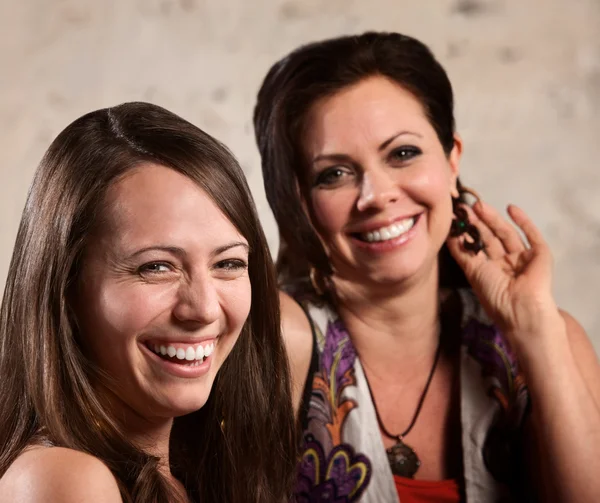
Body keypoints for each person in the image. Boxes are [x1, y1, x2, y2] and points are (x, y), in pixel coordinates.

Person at [253, 32, 600, 502]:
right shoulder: (277, 341)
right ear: (299, 203)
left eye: (402, 153)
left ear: (452, 160)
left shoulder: (553, 338)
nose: (376, 196)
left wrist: (534, 331)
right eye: (333, 173)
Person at [0, 102, 296, 503]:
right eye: (156, 267)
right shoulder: (64, 479)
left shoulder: (190, 468)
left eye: (227, 263)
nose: (204, 309)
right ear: (66, 290)